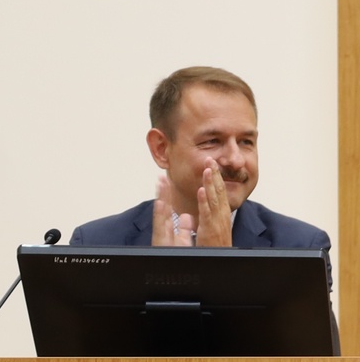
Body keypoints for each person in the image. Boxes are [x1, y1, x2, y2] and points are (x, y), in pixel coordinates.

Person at [69, 66, 332, 250]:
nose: (235, 160)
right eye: (212, 141)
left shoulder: (301, 247)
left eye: (246, 142)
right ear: (161, 149)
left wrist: (219, 268)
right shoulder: (96, 245)